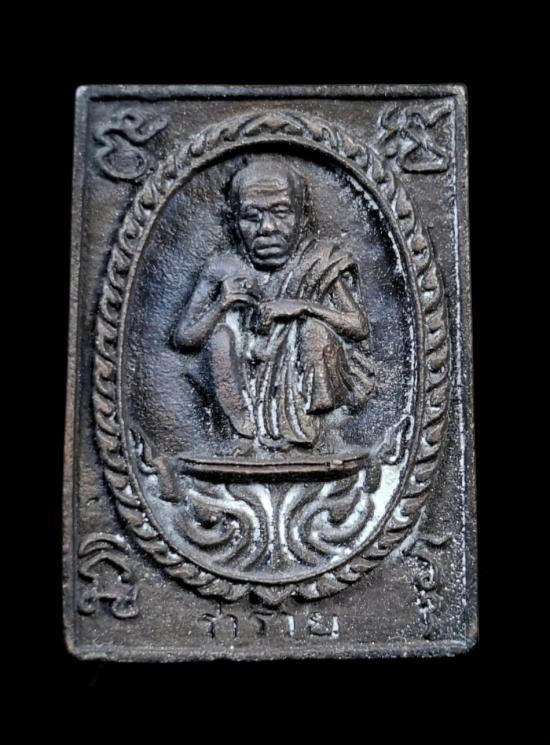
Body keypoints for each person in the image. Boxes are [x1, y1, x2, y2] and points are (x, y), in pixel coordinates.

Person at [173, 156, 374, 452]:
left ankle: (321, 432)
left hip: (307, 372)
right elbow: (184, 339)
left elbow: (358, 326)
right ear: (234, 221)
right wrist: (221, 305)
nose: (266, 227)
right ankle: (243, 434)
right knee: (220, 339)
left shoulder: (320, 261)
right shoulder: (222, 269)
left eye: (281, 213)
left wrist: (303, 307)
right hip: (248, 372)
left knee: (314, 332)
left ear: (302, 216)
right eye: (251, 216)